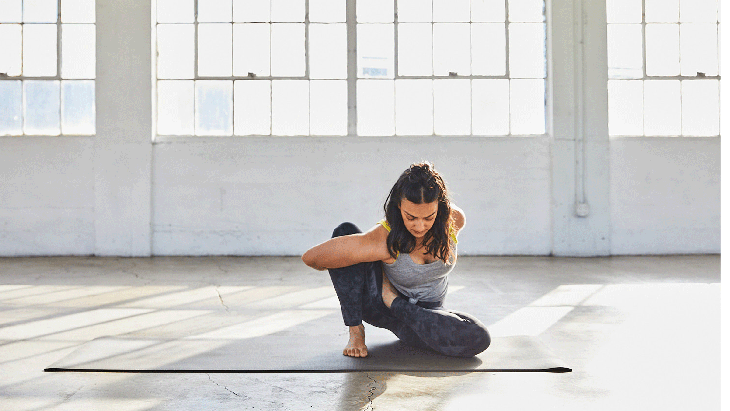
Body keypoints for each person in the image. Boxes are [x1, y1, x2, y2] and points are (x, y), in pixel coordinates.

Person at [301, 161, 490, 358]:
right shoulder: (385, 237)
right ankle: (355, 330)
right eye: (411, 217)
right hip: (386, 312)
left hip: (426, 317)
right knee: (345, 231)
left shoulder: (452, 220)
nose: (419, 226)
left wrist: (393, 300)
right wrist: (372, 266)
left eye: (428, 217)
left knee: (479, 336)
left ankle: (394, 302)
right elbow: (311, 258)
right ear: (399, 207)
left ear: (440, 209)